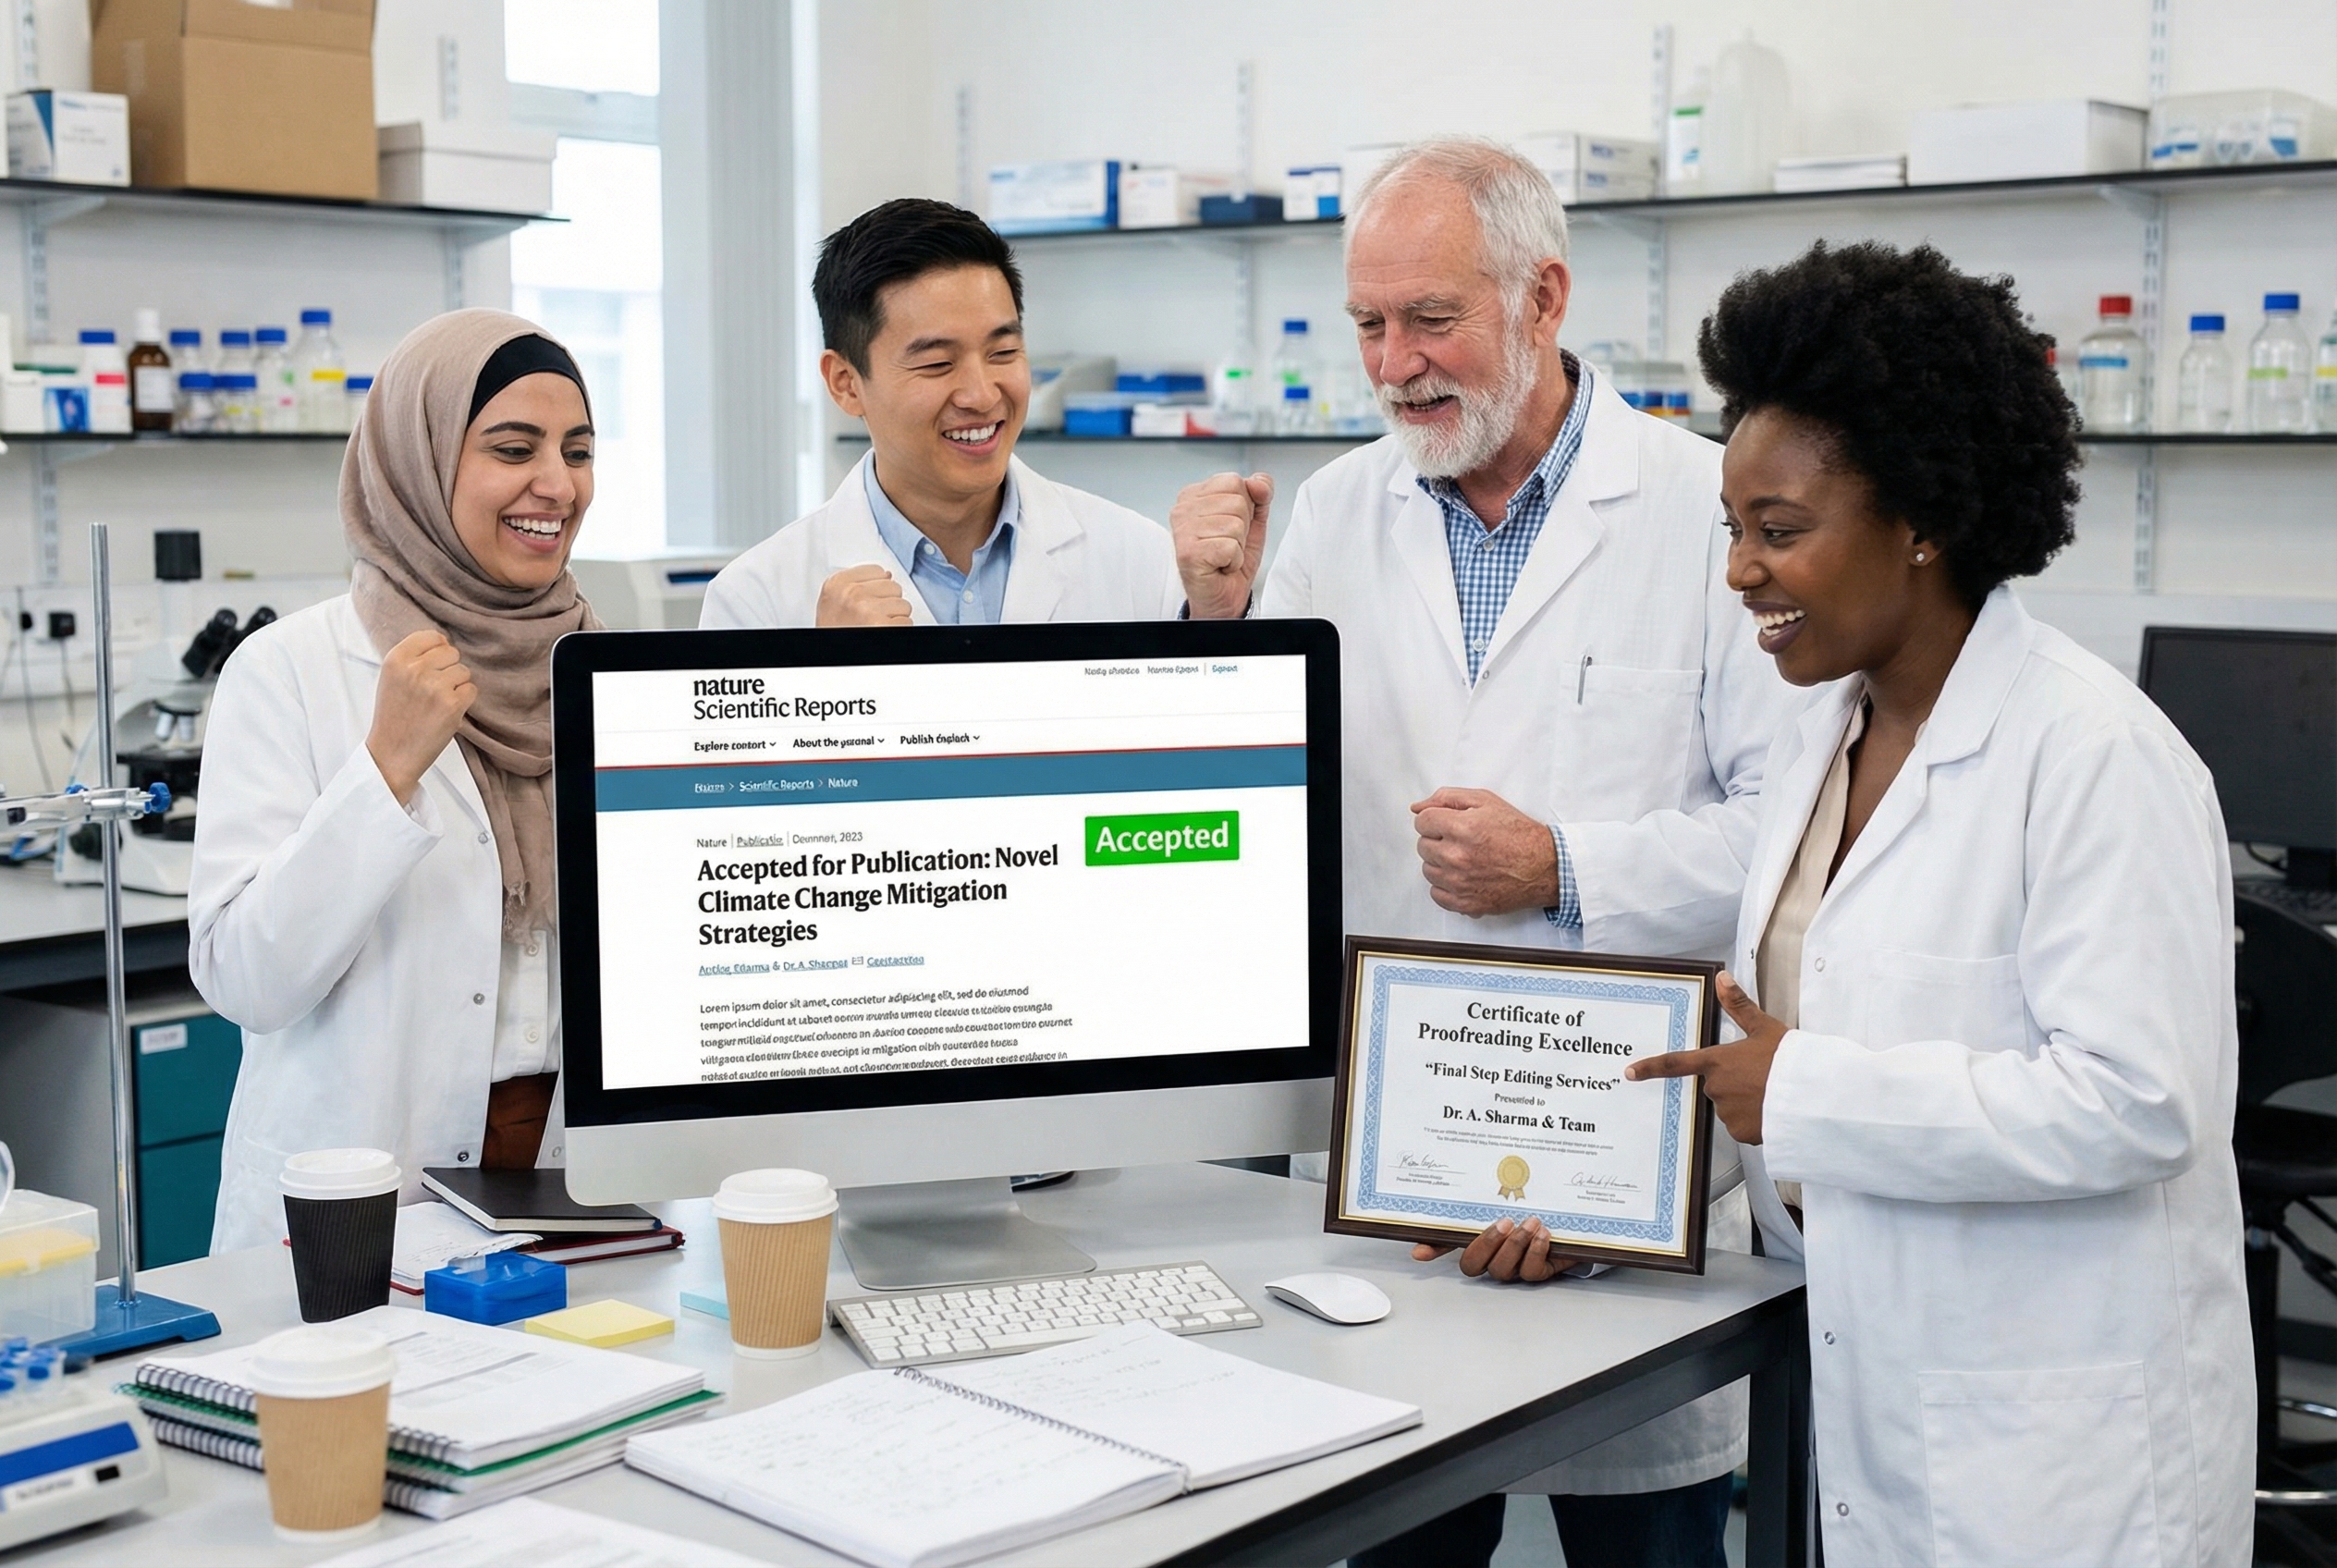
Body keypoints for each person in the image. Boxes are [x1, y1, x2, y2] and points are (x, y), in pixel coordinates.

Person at [1173, 137, 1800, 1568]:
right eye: (1368, 326)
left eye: (1431, 319)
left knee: (1649, 1545)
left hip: (1625, 1150)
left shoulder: (1709, 516)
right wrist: (1215, 637)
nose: (1395, 365)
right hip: (1398, 1154)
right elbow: (1262, 817)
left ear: (1543, 299)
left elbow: (1790, 843)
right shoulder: (1338, 511)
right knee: (1399, 1529)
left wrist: (1562, 865)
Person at [1628, 240, 2253, 1564]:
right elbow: (1785, 1054)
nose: (1740, 570)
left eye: (1780, 532)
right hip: (1883, 1390)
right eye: (1732, 529)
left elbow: (2138, 1102)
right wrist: (1613, 1202)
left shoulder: (2094, 757)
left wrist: (1804, 1093)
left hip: (2058, 1452)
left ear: (1923, 522)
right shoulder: (1820, 742)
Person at [190, 309, 601, 1251]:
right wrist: (384, 771)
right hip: (358, 1198)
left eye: (577, 450)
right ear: (416, 458)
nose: (556, 484)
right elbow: (245, 976)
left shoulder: (596, 668)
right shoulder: (290, 668)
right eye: (512, 447)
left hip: (564, 1185)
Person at [703, 198, 1228, 629]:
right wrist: (835, 686)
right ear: (846, 384)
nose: (981, 394)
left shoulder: (1139, 559)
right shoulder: (756, 600)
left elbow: (1214, 754)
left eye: (1003, 353)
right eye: (937, 363)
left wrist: (1216, 619)